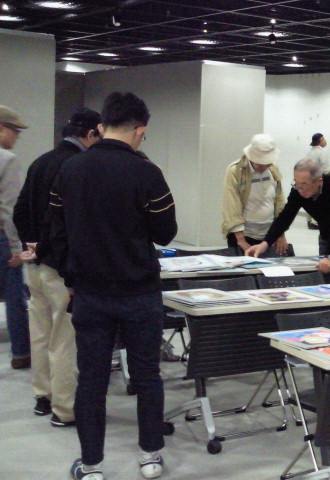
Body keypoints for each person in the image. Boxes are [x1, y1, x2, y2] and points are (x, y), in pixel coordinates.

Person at [49, 92, 177, 480]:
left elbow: (56, 236)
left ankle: (91, 465)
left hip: (90, 293)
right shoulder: (147, 172)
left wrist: (71, 279)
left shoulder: (69, 170)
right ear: (140, 130)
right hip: (140, 292)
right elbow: (166, 232)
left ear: (103, 126)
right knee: (147, 376)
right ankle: (150, 456)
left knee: (91, 381)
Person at [13, 107, 101, 427]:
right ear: (90, 134)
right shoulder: (78, 167)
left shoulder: (40, 161)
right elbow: (70, 224)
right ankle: (65, 409)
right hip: (61, 268)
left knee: (40, 333)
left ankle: (43, 396)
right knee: (64, 339)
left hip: (35, 264)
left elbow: (20, 211)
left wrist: (31, 244)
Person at [246, 158, 330, 273]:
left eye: (304, 184)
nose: (299, 188)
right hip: (327, 239)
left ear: (318, 181)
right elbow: (285, 217)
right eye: (296, 182)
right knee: (327, 280)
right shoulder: (297, 190)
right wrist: (265, 243)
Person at [0, 105, 30, 370]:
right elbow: (9, 209)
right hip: (2, 238)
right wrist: (16, 247)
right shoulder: (7, 159)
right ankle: (20, 353)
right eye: (15, 131)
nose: (17, 137)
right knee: (14, 297)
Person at [221, 134, 287, 255]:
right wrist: (241, 241)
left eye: (267, 163)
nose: (264, 166)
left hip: (268, 235)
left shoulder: (273, 169)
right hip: (244, 235)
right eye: (260, 164)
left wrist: (280, 234)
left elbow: (279, 201)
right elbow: (231, 206)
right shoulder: (235, 171)